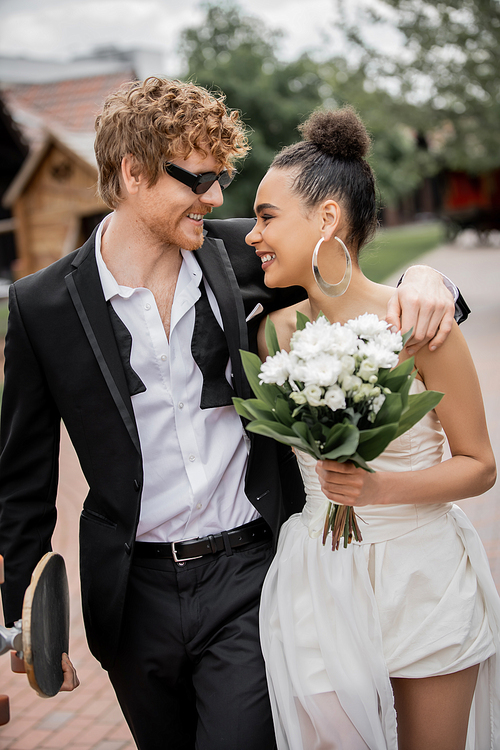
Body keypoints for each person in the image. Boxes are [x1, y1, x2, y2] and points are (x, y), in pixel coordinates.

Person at [0, 78, 465, 750]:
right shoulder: (42, 306)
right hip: (133, 596)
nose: (217, 198)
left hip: (249, 574)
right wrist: (27, 616)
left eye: (221, 178)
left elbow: (349, 259)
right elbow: (22, 482)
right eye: (198, 179)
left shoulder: (244, 252)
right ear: (132, 172)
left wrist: (431, 283)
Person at [248, 106, 499, 750]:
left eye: (266, 216)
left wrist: (377, 491)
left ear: (327, 217)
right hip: (319, 574)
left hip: (423, 573)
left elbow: (480, 464)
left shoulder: (422, 324)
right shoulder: (271, 332)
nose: (252, 234)